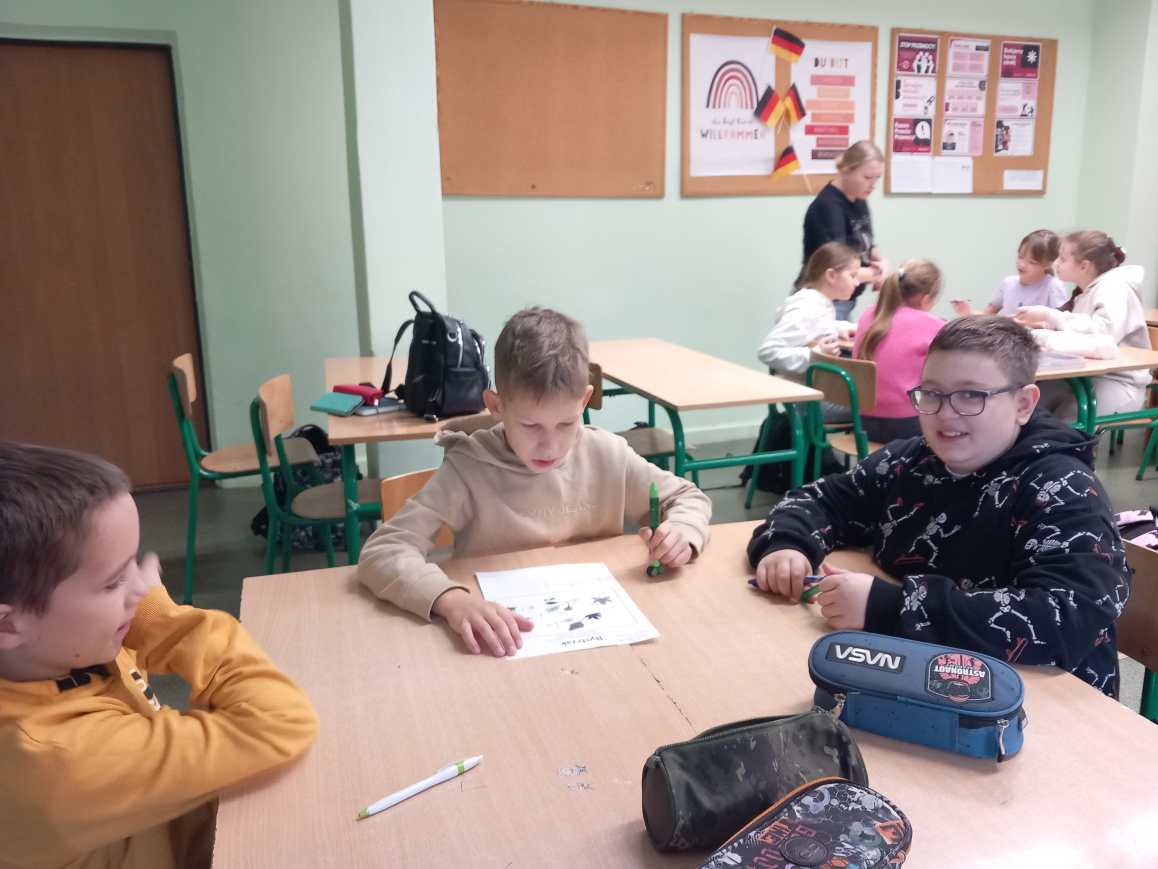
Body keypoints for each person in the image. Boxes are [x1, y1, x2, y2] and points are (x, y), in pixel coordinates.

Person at [747, 316, 1130, 697]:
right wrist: (789, 544)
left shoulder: (1063, 488)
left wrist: (888, 608)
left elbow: (1063, 617)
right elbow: (822, 498)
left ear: (1023, 404)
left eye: (972, 395)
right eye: (931, 393)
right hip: (918, 679)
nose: (946, 413)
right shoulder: (908, 461)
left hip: (1038, 704)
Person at [0, 442, 318, 868]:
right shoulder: (58, 756)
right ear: (8, 625)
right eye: (113, 581)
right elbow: (281, 722)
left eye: (133, 563)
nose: (141, 588)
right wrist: (162, 620)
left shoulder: (57, 652)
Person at [357, 307, 712, 658]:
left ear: (584, 401)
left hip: (603, 642)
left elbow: (687, 497)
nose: (550, 446)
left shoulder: (607, 454)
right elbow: (384, 551)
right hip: (506, 647)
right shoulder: (467, 470)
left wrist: (682, 532)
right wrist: (450, 600)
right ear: (496, 406)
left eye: (566, 423)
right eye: (531, 426)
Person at [1013, 230, 1151, 420]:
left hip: (1118, 382)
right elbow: (1082, 333)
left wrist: (1051, 316)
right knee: (1028, 405)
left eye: (1062, 258)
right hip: (1083, 377)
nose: (1056, 263)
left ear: (1084, 266)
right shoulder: (1086, 293)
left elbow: (1104, 336)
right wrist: (1047, 324)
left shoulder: (1115, 288)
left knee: (1067, 419)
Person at [758, 241, 860, 424]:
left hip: (817, 394)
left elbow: (817, 327)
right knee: (884, 405)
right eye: (852, 275)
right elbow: (768, 351)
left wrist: (840, 328)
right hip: (814, 402)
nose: (857, 282)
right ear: (831, 275)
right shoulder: (808, 309)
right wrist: (815, 354)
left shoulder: (818, 303)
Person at [853, 259, 945, 442]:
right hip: (908, 428)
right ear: (926, 299)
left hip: (863, 424)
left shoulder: (868, 314)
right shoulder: (934, 325)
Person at [802, 140, 890, 321]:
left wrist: (882, 262)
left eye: (877, 177)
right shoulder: (828, 207)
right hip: (825, 299)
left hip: (845, 298)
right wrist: (876, 275)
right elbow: (837, 268)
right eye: (868, 177)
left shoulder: (859, 198)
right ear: (845, 172)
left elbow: (865, 243)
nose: (873, 185)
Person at [951, 229, 1068, 318]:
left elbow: (1060, 321)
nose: (1022, 264)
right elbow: (987, 315)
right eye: (1020, 257)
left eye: (1031, 262)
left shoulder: (1053, 286)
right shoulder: (1008, 283)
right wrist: (968, 313)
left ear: (1048, 264)